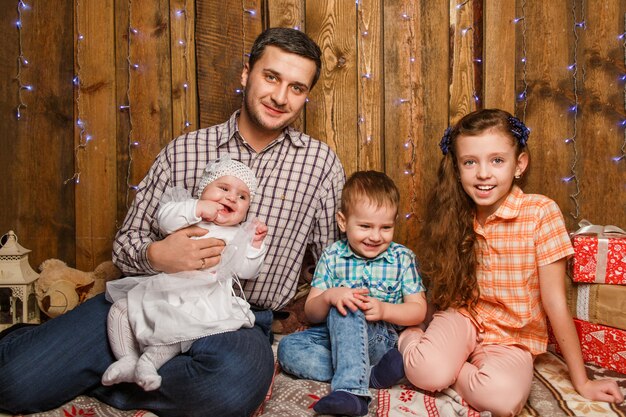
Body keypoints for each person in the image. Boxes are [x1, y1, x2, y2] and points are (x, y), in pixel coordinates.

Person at [0, 27, 345, 417]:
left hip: (234, 320)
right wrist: (159, 255)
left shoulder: (320, 165)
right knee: (14, 384)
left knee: (230, 391)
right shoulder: (186, 150)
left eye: (297, 88)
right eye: (271, 77)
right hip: (149, 300)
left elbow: (334, 262)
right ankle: (52, 350)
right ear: (246, 73)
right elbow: (127, 241)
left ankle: (107, 375)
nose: (281, 97)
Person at [397, 108, 624, 417]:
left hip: (512, 338)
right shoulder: (456, 211)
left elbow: (555, 302)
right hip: (464, 318)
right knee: (425, 372)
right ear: (457, 167)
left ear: (519, 165)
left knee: (502, 400)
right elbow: (446, 286)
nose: (483, 174)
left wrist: (581, 380)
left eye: (497, 160)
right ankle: (412, 337)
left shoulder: (540, 213)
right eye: (470, 162)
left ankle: (454, 368)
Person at [102, 156, 268, 392]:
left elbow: (247, 270)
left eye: (242, 197)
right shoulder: (188, 213)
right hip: (163, 287)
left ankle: (149, 363)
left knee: (177, 329)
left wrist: (255, 245)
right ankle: (127, 358)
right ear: (203, 191)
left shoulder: (235, 233)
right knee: (120, 310)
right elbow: (165, 219)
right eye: (223, 188)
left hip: (201, 298)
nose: (232, 197)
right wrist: (197, 208)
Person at [277, 171, 427, 417]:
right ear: (343, 221)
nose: (376, 236)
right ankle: (370, 376)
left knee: (347, 307)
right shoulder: (332, 256)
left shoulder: (402, 258)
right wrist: (329, 296)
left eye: (386, 227)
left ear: (395, 222)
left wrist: (385, 309)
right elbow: (311, 314)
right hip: (332, 337)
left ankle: (351, 393)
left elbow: (418, 310)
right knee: (288, 349)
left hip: (379, 338)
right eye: (365, 226)